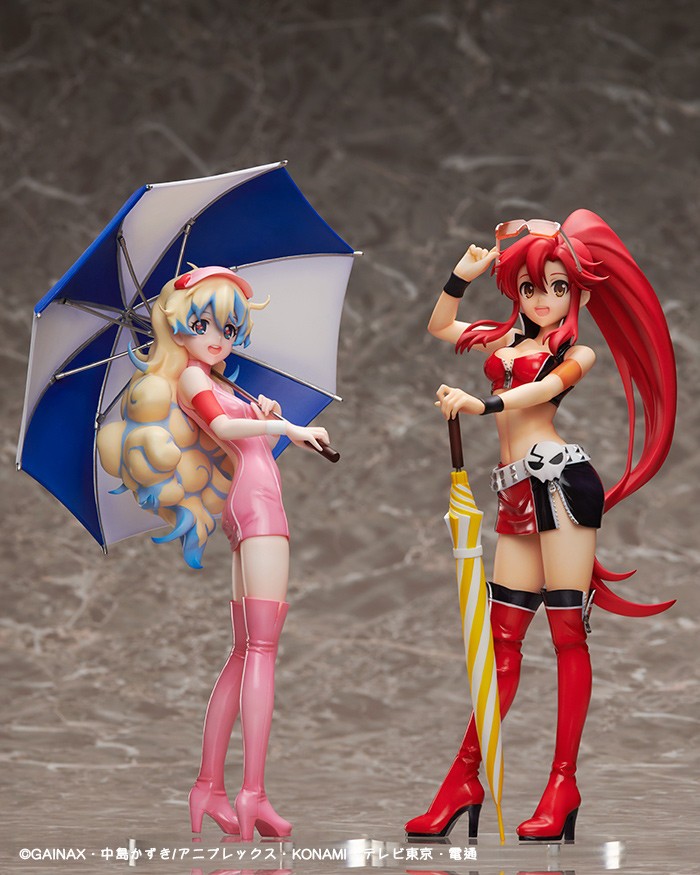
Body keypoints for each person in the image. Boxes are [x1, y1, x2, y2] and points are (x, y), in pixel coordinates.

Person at [404, 210, 676, 842]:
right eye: (531, 287)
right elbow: (440, 325)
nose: (544, 299)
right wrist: (462, 275)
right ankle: (463, 780)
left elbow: (542, 391)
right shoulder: (502, 342)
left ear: (578, 293)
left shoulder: (575, 352)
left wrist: (483, 403)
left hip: (561, 486)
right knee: (502, 642)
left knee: (566, 637)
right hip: (514, 494)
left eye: (558, 286)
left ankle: (563, 784)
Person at [97, 266, 330, 842]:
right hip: (259, 509)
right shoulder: (192, 380)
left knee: (245, 649)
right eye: (202, 325)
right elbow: (222, 424)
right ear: (176, 325)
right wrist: (290, 428)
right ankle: (254, 794)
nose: (218, 337)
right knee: (263, 650)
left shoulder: (217, 381)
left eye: (228, 327)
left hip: (247, 501)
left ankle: (210, 787)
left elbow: (240, 437)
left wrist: (269, 421)